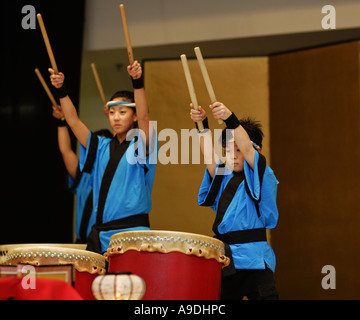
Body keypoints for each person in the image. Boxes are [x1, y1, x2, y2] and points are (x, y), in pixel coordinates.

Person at [49, 61, 157, 254]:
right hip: (102, 235)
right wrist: (61, 90)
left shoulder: (141, 146)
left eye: (122, 112)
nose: (115, 117)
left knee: (129, 285)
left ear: (133, 117)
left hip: (132, 234)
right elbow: (73, 122)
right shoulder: (101, 146)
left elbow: (145, 117)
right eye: (113, 112)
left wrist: (137, 81)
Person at [190, 102, 279, 300]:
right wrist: (201, 125)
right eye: (229, 151)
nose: (234, 156)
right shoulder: (224, 175)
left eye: (238, 150)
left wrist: (231, 119)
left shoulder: (263, 175)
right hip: (226, 261)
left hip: (255, 260)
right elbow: (210, 158)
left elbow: (247, 148)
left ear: (257, 150)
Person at [52, 105, 112, 244]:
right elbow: (66, 150)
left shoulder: (117, 176)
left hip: (105, 245)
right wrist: (61, 121)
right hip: (81, 244)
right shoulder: (84, 174)